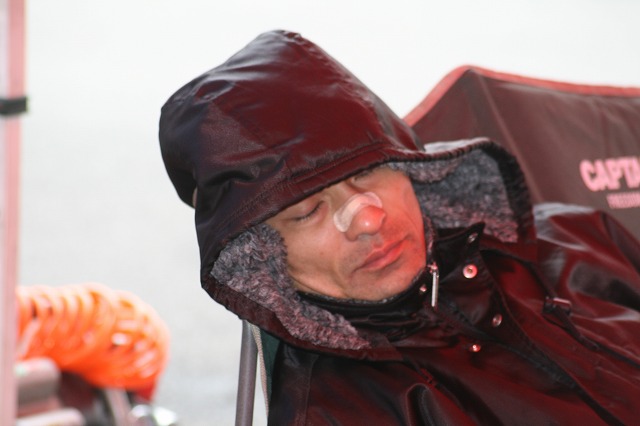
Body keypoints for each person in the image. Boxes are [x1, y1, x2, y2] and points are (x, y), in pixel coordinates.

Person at [159, 30, 640, 425]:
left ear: (411, 167)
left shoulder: (569, 236)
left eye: (370, 171)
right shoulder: (338, 413)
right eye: (308, 211)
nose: (368, 218)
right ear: (264, 259)